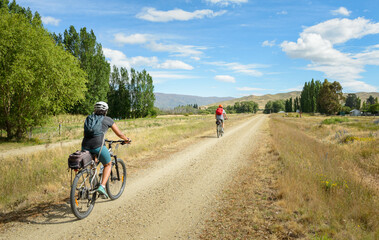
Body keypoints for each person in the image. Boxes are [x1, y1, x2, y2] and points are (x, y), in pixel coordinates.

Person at [81, 101, 130, 198]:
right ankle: (102, 186)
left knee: (93, 163)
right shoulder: (108, 120)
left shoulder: (89, 118)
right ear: (106, 111)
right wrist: (126, 139)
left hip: (85, 145)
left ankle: (92, 183)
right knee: (108, 164)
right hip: (98, 145)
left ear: (95, 109)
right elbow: (119, 134)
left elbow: (85, 134)